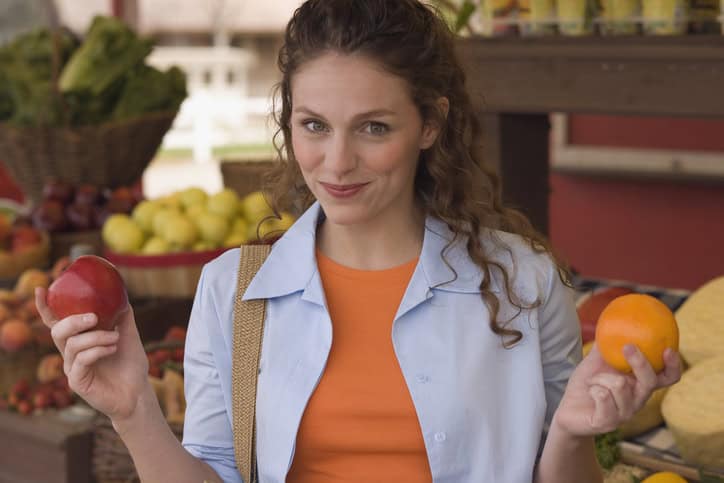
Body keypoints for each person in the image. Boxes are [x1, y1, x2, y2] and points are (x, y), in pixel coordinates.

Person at [35, 1, 682, 482]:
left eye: (373, 127)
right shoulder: (233, 289)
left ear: (431, 123)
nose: (336, 162)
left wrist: (570, 433)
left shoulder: (521, 280)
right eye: (314, 125)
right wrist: (132, 411)